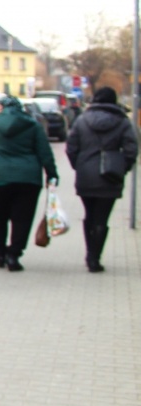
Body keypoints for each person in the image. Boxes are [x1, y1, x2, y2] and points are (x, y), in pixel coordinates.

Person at [0, 94, 58, 272]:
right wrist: (52, 174)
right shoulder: (33, 124)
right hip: (28, 178)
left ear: (1, 107)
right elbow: (45, 152)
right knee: (23, 218)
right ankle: (14, 255)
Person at [64, 86, 138, 272]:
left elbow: (71, 147)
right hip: (111, 176)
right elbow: (131, 149)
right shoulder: (122, 122)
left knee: (89, 215)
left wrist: (79, 166)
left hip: (86, 175)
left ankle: (90, 253)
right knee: (102, 218)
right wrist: (123, 167)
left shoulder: (82, 120)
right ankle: (95, 258)